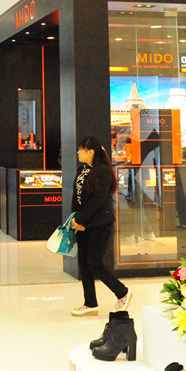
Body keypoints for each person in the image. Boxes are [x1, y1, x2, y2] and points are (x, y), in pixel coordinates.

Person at [70, 135, 131, 317]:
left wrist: (80, 219)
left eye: (81, 149)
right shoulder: (82, 170)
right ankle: (90, 304)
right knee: (83, 264)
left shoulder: (103, 171)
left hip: (99, 224)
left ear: (91, 152)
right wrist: (75, 220)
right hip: (82, 224)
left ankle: (122, 292)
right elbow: (77, 197)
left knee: (94, 263)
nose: (78, 152)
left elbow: (98, 200)